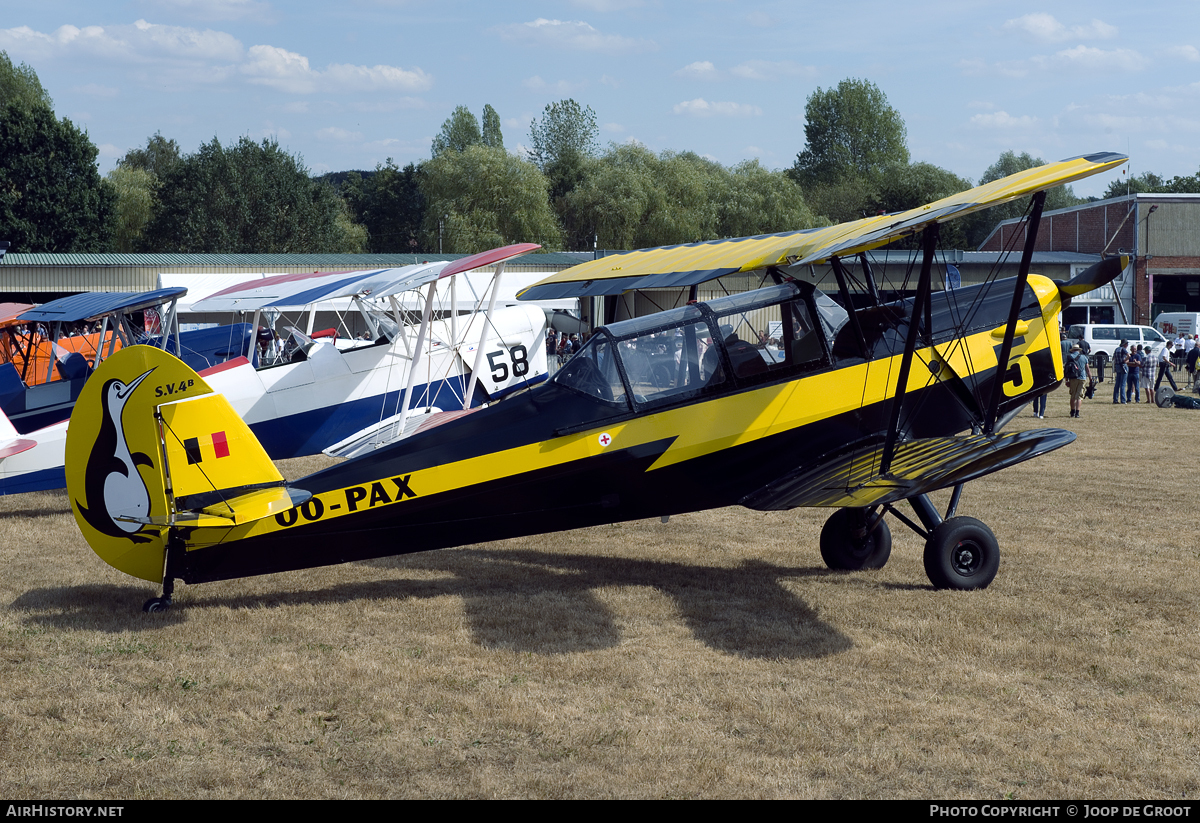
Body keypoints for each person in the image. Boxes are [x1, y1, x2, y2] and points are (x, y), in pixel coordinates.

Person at [1064, 344, 1091, 418]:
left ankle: (1072, 412)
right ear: (1079, 350)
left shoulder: (1069, 357)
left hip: (1072, 378)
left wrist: (1067, 380)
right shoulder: (1084, 357)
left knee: (1073, 395)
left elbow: (1067, 369)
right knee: (1079, 396)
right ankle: (1077, 413)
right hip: (1082, 378)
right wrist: (1090, 379)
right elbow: (1087, 370)